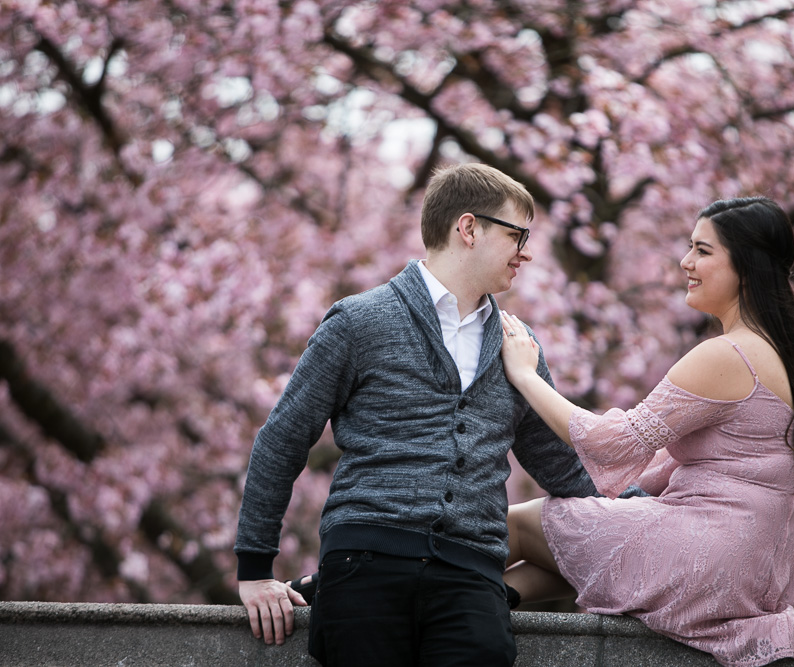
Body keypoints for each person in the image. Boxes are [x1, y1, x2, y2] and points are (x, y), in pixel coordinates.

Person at [234, 163, 619, 667]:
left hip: (472, 576)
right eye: (517, 234)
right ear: (469, 228)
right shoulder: (359, 321)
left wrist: (639, 509)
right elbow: (283, 438)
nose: (526, 251)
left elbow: (561, 469)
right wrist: (255, 569)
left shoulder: (517, 347)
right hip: (365, 563)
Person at [498, 196, 794, 667]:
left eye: (702, 251)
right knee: (582, 549)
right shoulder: (782, 353)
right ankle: (494, 600)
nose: (686, 262)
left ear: (745, 265)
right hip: (754, 571)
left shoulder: (727, 355)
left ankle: (420, 602)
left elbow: (609, 445)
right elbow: (667, 470)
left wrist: (524, 375)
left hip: (706, 556)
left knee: (519, 523)